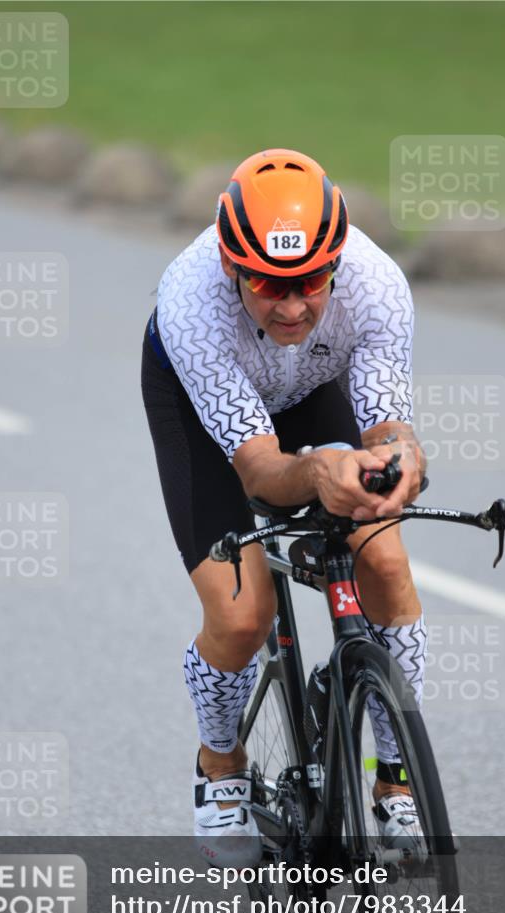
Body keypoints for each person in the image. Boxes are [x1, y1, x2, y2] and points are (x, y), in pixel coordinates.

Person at [141, 148, 427, 869]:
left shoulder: (377, 287)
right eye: (270, 285)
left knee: (387, 567)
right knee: (242, 617)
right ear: (233, 267)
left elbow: (386, 421)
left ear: (337, 263)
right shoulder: (191, 302)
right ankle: (219, 762)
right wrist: (320, 469)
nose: (295, 306)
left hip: (309, 391)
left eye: (311, 283)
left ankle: (397, 780)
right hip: (211, 420)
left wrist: (400, 458)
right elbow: (263, 471)